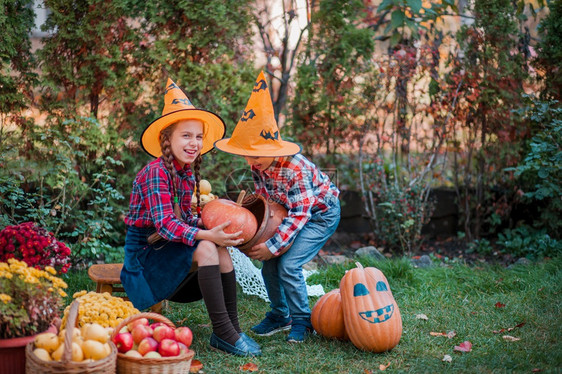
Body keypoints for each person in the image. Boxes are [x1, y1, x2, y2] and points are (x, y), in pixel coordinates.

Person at [120, 78, 261, 356]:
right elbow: (165, 225)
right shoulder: (155, 172)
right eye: (186, 136)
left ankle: (231, 330)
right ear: (167, 139)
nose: (194, 143)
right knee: (209, 245)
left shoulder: (183, 172)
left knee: (218, 246)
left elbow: (183, 219)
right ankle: (223, 332)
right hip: (145, 254)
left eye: (198, 137)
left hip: (165, 244)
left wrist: (217, 226)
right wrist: (208, 235)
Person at [214, 71, 341, 343]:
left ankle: (303, 321)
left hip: (319, 215)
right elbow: (266, 205)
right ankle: (280, 314)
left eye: (255, 155)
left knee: (289, 265)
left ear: (273, 151)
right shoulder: (259, 165)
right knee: (269, 266)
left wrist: (273, 246)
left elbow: (300, 215)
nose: (251, 162)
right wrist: (253, 236)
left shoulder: (296, 169)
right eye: (246, 155)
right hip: (289, 213)